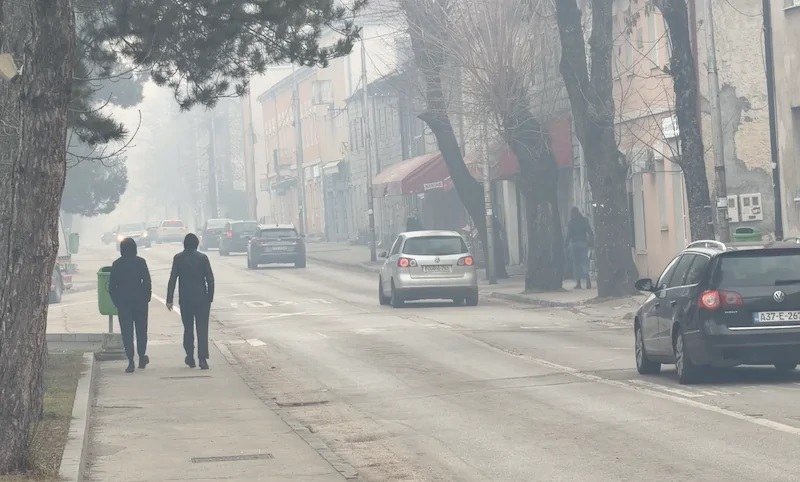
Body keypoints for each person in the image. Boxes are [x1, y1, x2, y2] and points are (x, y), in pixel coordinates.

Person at [166, 233, 215, 369]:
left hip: (185, 299)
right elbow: (210, 279)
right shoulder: (203, 258)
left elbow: (172, 279)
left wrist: (169, 299)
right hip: (202, 299)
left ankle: (190, 356)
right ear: (197, 244)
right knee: (202, 329)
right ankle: (202, 359)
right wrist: (209, 297)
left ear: (184, 244)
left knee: (188, 328)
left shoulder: (178, 258)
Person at [108, 237, 152, 373]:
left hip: (123, 303)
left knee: (127, 332)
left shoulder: (117, 264)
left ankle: (131, 361)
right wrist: (146, 298)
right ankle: (142, 356)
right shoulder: (141, 262)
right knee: (141, 331)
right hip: (140, 302)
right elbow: (147, 281)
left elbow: (111, 287)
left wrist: (117, 302)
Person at [565, 207, 593, 289]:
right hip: (583, 243)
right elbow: (590, 231)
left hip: (575, 244)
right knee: (584, 262)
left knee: (576, 263)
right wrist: (591, 242)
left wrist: (566, 244)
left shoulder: (571, 223)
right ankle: (587, 279)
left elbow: (569, 235)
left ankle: (579, 283)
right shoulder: (584, 221)